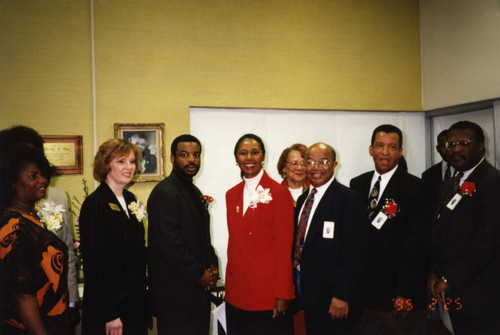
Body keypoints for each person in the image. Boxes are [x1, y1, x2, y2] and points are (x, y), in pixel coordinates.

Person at [0, 125, 81, 332]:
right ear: (12, 180)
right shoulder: (13, 226)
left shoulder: (34, 214)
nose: (42, 180)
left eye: (41, 173)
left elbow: (68, 251)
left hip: (54, 316)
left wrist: (71, 302)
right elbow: (21, 295)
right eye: (33, 175)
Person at [349, 124, 428, 335]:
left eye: (392, 147)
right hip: (365, 295)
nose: (385, 152)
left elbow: (417, 246)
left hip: (398, 295)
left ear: (401, 152)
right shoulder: (357, 184)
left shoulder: (416, 188)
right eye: (379, 146)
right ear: (370, 149)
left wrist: (405, 293)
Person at [429, 121, 500, 335]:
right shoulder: (450, 183)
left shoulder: (493, 182)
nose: (456, 149)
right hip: (450, 288)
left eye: (464, 143)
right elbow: (438, 230)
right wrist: (433, 272)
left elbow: (486, 240)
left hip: (480, 292)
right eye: (451, 144)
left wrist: (450, 278)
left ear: (481, 146)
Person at [148, 134, 219, 335]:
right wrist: (199, 273)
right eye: (184, 155)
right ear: (172, 158)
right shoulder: (165, 192)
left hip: (196, 296)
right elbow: (169, 243)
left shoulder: (194, 192)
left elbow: (203, 237)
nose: (192, 160)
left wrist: (212, 265)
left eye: (196, 155)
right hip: (175, 298)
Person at [294, 142, 368, 335]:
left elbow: (355, 253)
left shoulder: (349, 199)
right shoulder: (303, 200)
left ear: (334, 165)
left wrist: (342, 295)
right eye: (310, 162)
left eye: (323, 161)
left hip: (334, 300)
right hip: (309, 295)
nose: (316, 167)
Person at [225, 134, 294, 335]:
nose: (249, 158)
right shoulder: (232, 194)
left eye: (255, 153)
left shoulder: (279, 194)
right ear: (236, 158)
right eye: (243, 153)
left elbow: (284, 248)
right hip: (236, 293)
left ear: (263, 157)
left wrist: (283, 294)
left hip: (267, 295)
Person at [79, 138, 149, 335]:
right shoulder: (95, 204)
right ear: (105, 165)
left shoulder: (130, 199)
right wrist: (109, 314)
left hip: (134, 303)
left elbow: (136, 251)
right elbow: (94, 265)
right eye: (121, 161)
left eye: (132, 161)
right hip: (110, 309)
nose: (129, 167)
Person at [422, 129, 452, 213]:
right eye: (443, 146)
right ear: (437, 149)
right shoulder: (428, 175)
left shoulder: (464, 172)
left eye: (449, 145)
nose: (447, 150)